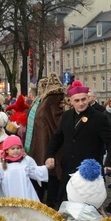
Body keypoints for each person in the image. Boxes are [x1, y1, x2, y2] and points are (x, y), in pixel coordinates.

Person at [45, 81, 111, 207]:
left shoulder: (98, 117)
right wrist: (49, 155)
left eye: (83, 99)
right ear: (71, 101)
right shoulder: (66, 116)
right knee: (65, 207)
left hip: (89, 172)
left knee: (87, 211)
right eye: (77, 100)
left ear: (88, 99)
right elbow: (57, 138)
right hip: (68, 169)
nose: (81, 103)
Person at [28, 76, 66, 207]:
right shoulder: (49, 108)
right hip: (49, 152)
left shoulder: (41, 106)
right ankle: (50, 204)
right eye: (60, 100)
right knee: (51, 179)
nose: (62, 102)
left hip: (42, 151)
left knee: (45, 179)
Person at [0, 135, 50, 202]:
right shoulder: (0, 165)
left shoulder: (25, 161)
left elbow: (34, 171)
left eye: (18, 148)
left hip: (25, 195)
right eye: (13, 149)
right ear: (7, 150)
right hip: (8, 196)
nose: (16, 150)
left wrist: (46, 168)